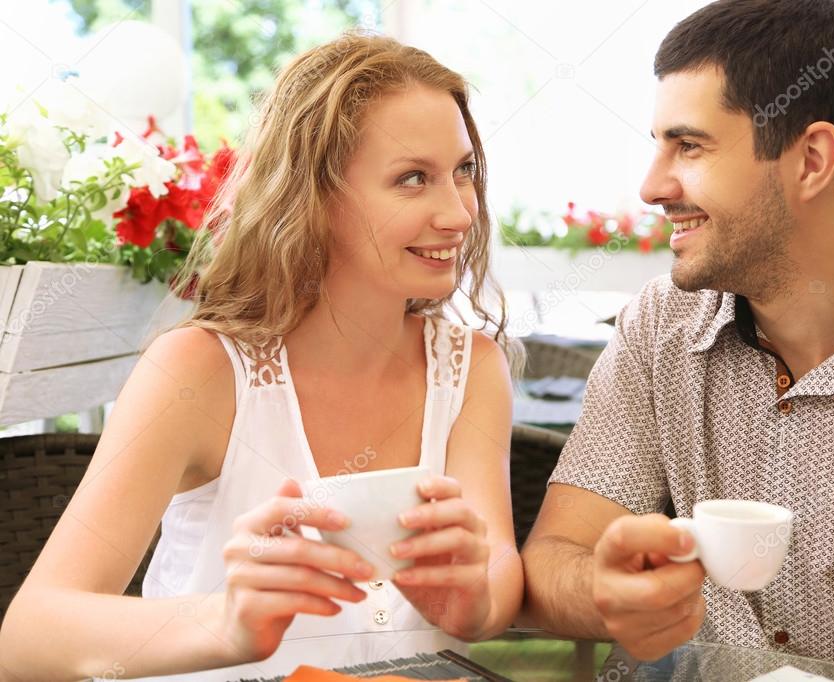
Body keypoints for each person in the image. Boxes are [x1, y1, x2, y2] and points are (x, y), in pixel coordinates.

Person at [520, 2, 834, 681]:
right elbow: (554, 561)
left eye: (688, 146)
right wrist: (604, 593)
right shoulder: (659, 327)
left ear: (811, 160)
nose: (651, 186)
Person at [0, 33, 523, 681]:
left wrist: (470, 597)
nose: (459, 211)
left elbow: (495, 580)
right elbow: (26, 637)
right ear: (313, 197)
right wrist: (225, 622)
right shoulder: (197, 371)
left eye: (463, 171)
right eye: (412, 179)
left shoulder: (472, 368)